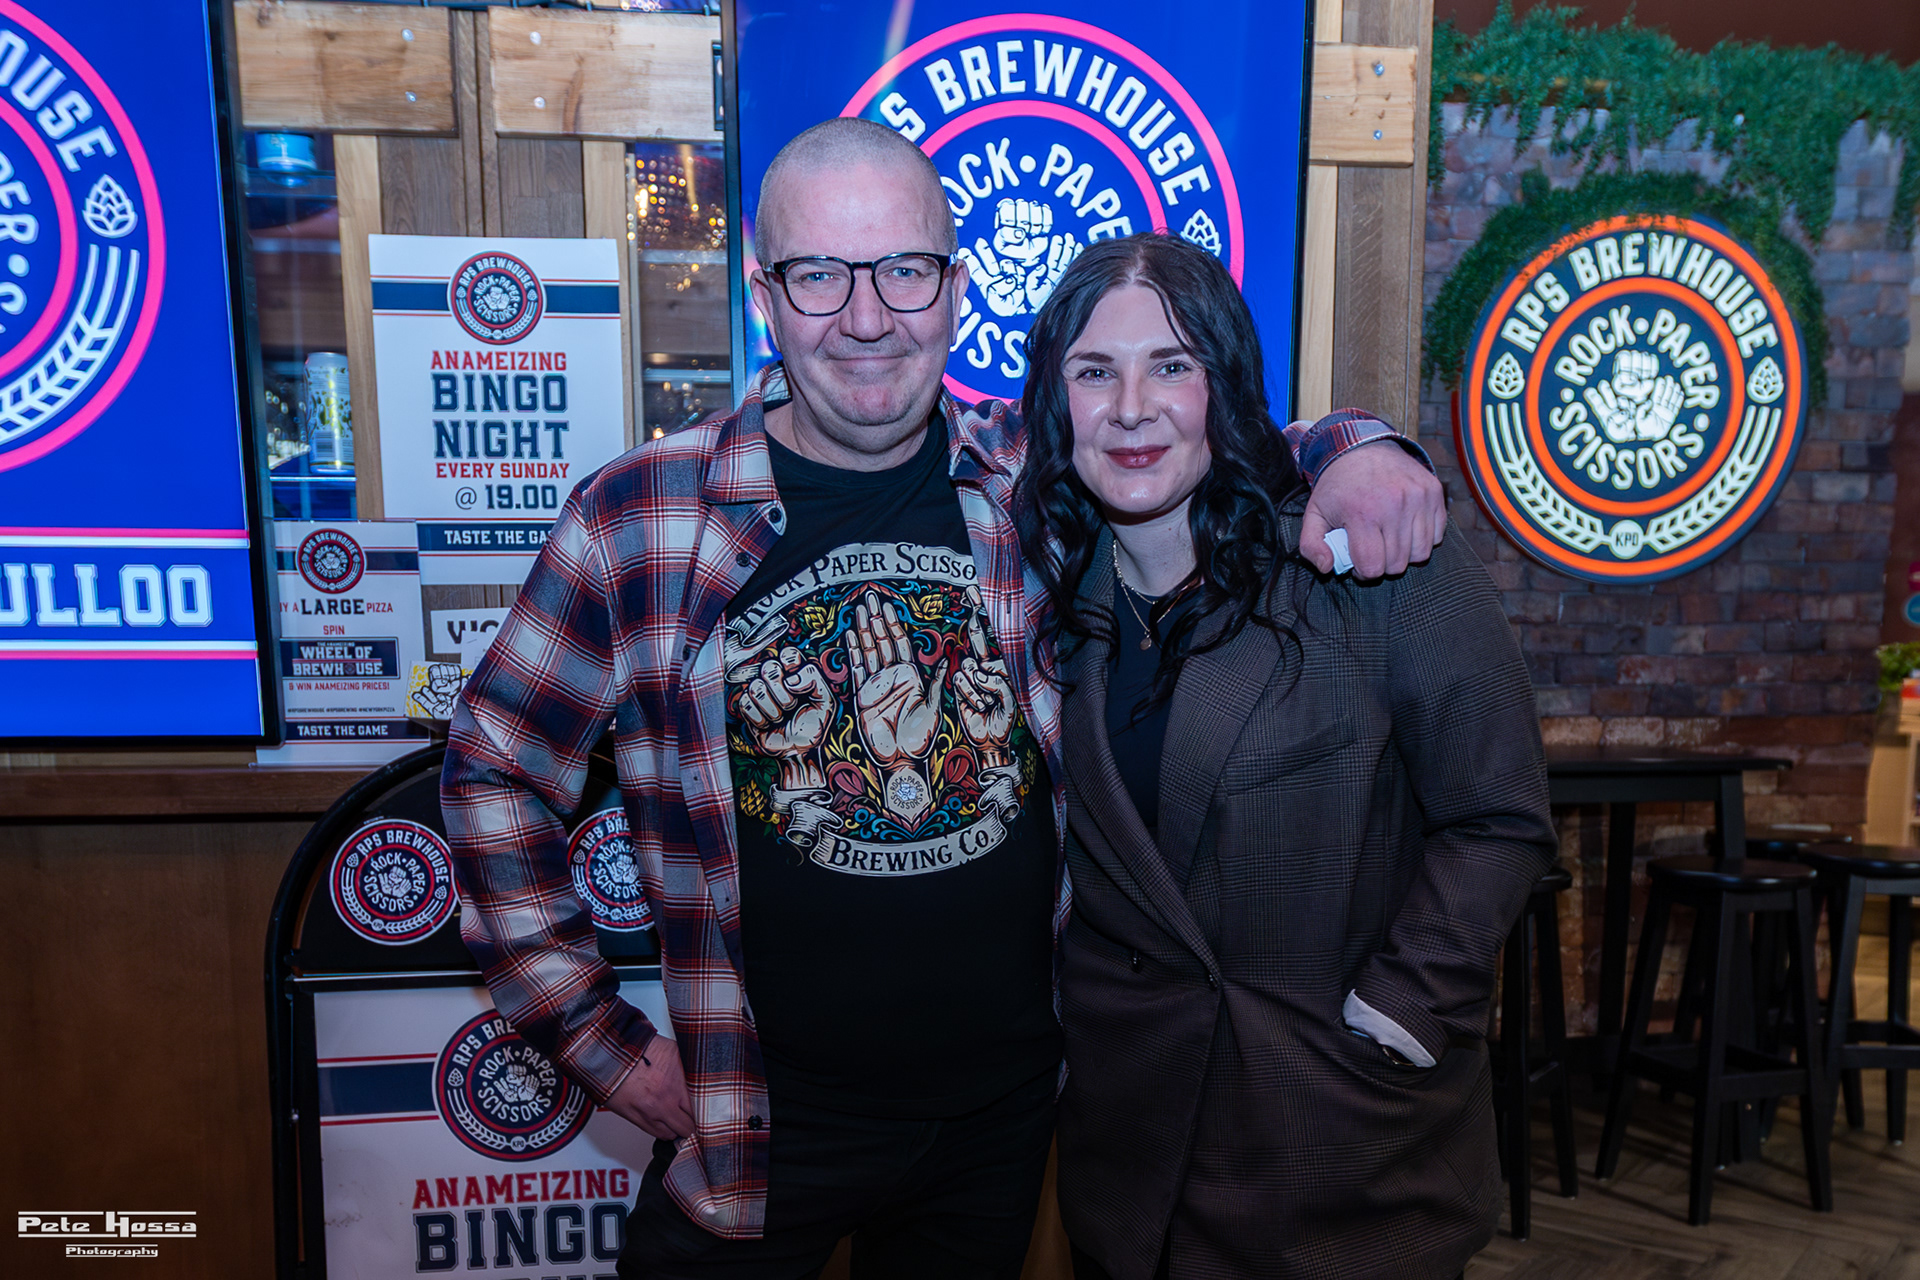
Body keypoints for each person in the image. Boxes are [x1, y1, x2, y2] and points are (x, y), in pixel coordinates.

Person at [442, 117, 1444, 1279]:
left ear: (956, 291)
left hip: (1000, 1120)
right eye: (821, 275)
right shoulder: (640, 515)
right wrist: (592, 1033)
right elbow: (497, 764)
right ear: (766, 298)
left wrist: (1360, 447)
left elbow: (1200, 429)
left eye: (905, 271)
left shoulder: (1033, 475)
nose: (867, 318)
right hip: (763, 1119)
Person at [1015, 232, 1556, 1280]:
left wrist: (1401, 1011)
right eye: (1095, 371)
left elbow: (1499, 815)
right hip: (1131, 1165)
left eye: (1173, 364)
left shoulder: (1368, 555)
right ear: (1056, 399)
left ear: (1224, 381)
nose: (1132, 407)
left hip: (1334, 1146)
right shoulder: (1052, 589)